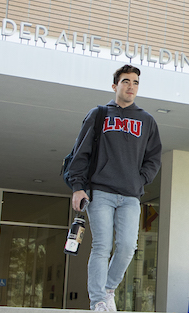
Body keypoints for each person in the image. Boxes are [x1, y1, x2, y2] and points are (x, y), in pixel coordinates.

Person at [66, 64, 162, 311]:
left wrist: (139, 180)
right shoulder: (99, 115)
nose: (131, 86)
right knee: (102, 246)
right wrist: (78, 187)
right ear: (115, 85)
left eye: (135, 82)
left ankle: (108, 289)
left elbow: (153, 158)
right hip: (101, 193)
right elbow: (81, 153)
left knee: (129, 246)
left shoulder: (147, 120)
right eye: (126, 81)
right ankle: (98, 301)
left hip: (130, 195)